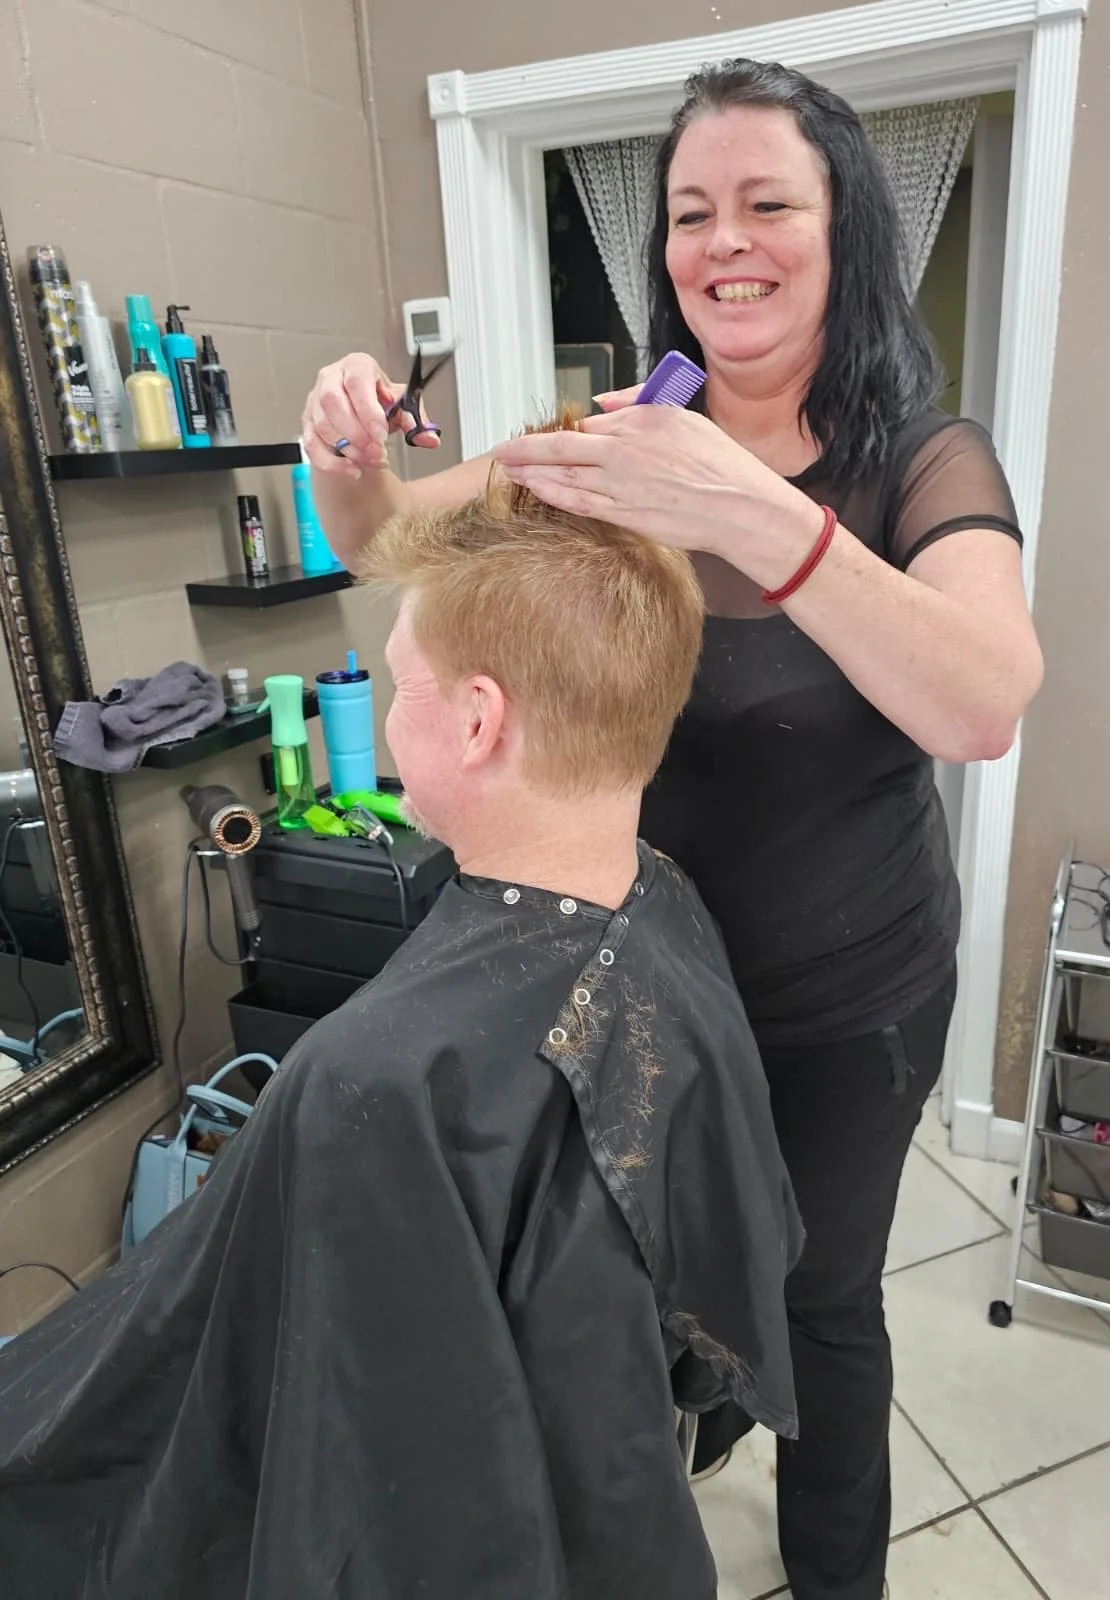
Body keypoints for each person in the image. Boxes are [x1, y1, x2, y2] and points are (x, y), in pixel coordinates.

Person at [300, 60, 1044, 1600]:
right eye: (693, 213)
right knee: (641, 1283)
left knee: (823, 1305)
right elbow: (394, 543)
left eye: (770, 202)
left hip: (850, 1002)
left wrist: (749, 510)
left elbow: (982, 703)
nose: (726, 242)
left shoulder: (923, 458)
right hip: (636, 985)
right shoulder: (614, 438)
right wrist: (350, 462)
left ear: (846, 234)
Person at [0, 439, 802, 1600]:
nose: (382, 721)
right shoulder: (663, 901)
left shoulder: (372, 1086)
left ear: (478, 720)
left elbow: (378, 1501)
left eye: (396, 682)